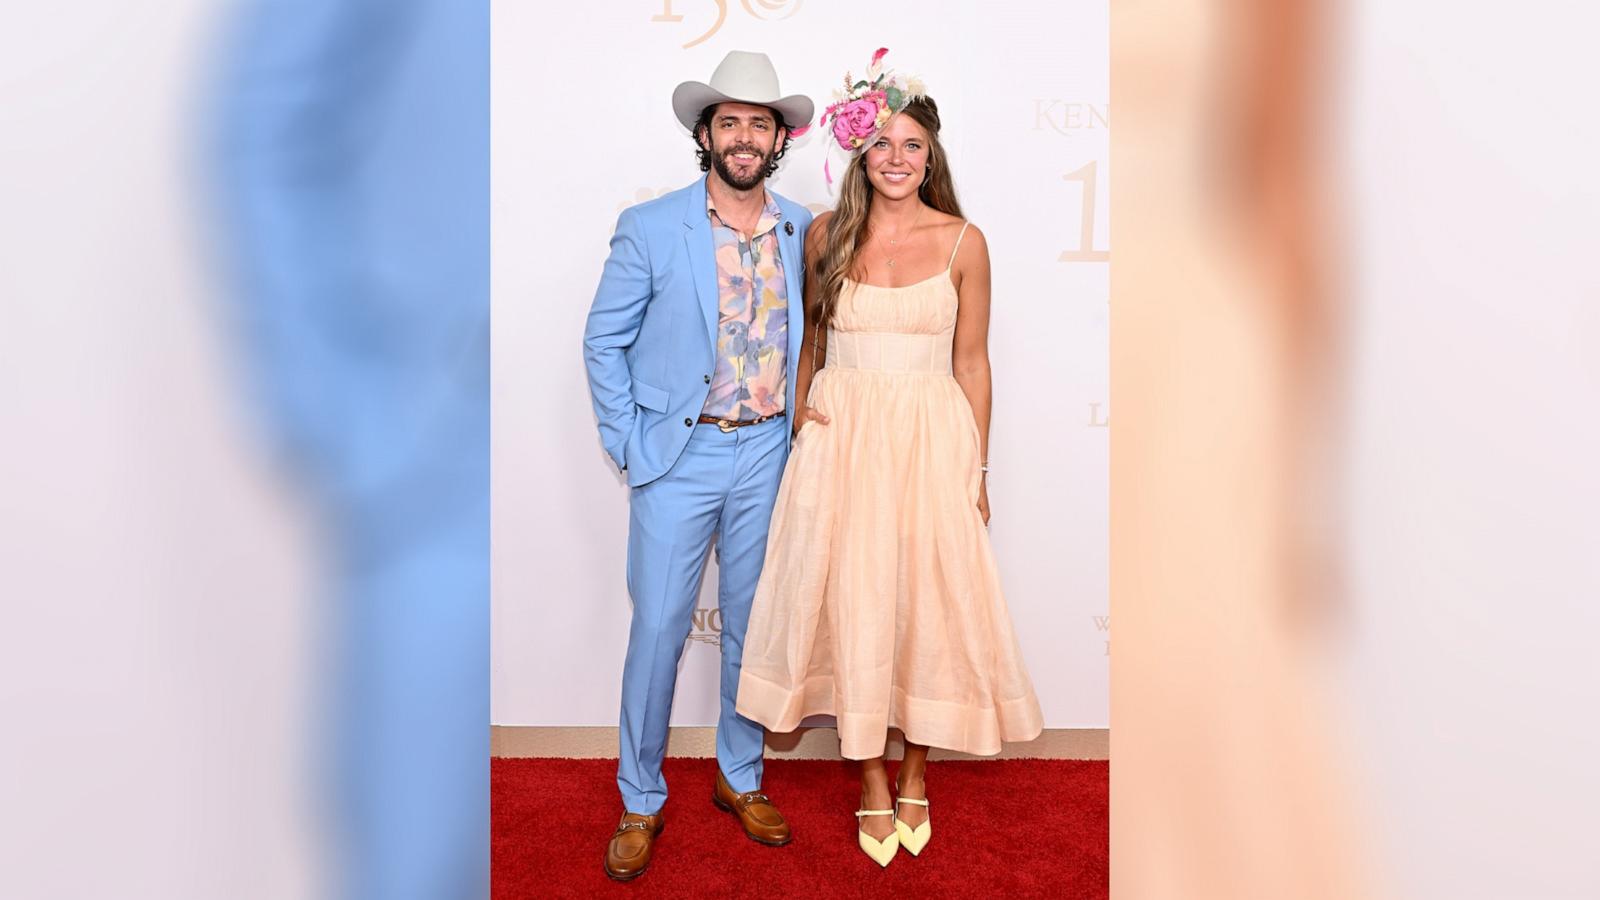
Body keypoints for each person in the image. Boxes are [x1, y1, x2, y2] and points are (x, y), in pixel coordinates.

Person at [734, 50, 1043, 867]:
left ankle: (916, 769)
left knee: (927, 608)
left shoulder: (964, 242)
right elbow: (813, 342)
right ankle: (870, 776)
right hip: (843, 440)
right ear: (859, 154)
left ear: (931, 155)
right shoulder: (827, 235)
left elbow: (972, 365)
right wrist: (803, 419)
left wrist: (976, 470)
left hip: (931, 441)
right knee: (855, 604)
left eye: (913, 145)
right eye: (883, 145)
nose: (897, 159)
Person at [580, 50, 813, 882]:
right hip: (679, 455)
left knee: (754, 628)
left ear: (778, 139)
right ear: (705, 134)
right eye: (730, 122)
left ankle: (739, 775)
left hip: (767, 454)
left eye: (760, 123)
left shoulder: (802, 228)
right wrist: (627, 443)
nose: (744, 137)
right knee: (659, 631)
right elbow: (602, 339)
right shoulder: (652, 226)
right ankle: (640, 796)